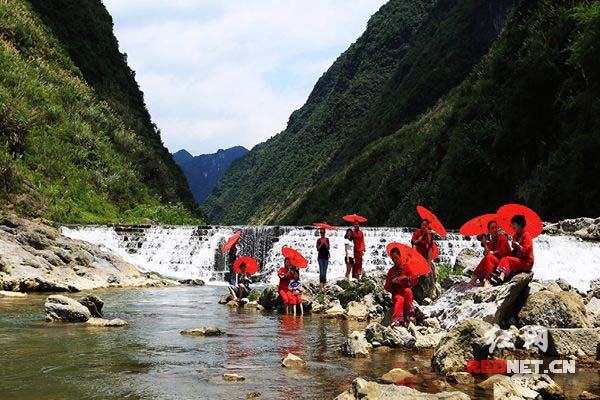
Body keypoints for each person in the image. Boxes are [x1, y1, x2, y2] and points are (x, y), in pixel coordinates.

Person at [470, 220, 512, 287]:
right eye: (492, 228)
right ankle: (474, 278)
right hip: (496, 263)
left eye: (496, 227)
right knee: (486, 258)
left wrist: (491, 252)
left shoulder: (502, 237)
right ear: (489, 231)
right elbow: (486, 253)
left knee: (489, 257)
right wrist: (485, 244)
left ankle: (488, 280)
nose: (495, 229)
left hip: (503, 264)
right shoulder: (492, 241)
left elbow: (502, 252)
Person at [494, 215, 534, 284]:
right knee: (504, 257)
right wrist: (513, 247)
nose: (512, 226)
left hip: (527, 262)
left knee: (507, 259)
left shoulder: (526, 235)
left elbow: (526, 252)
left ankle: (501, 278)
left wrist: (518, 245)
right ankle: (497, 274)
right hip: (519, 260)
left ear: (520, 225)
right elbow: (515, 252)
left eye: (514, 224)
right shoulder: (515, 236)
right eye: (512, 224)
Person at [384, 247, 418, 327]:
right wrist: (393, 282)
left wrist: (405, 278)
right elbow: (386, 287)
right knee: (400, 299)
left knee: (408, 291)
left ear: (400, 256)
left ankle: (408, 316)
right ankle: (396, 320)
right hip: (396, 294)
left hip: (405, 292)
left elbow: (415, 280)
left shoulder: (406, 267)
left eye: (396, 258)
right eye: (393, 259)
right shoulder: (391, 271)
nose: (394, 260)